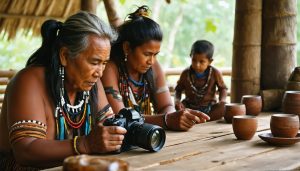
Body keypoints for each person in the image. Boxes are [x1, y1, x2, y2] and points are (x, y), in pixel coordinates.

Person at [0, 11, 127, 170]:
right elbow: (25, 150)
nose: (100, 72)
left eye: (104, 63)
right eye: (94, 62)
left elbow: (107, 127)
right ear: (65, 55)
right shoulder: (29, 81)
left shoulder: (91, 83)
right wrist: (85, 144)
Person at [101, 5, 210, 131]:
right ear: (127, 48)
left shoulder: (153, 66)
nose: (151, 61)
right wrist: (167, 120)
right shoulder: (110, 68)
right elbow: (121, 117)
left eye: (155, 55)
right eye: (147, 54)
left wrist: (175, 116)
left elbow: (167, 106)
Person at [174, 40, 228, 121]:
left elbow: (223, 89)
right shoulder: (186, 73)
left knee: (224, 107)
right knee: (180, 107)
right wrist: (177, 101)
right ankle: (196, 119)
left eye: (201, 61)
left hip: (209, 108)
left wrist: (222, 100)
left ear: (210, 61)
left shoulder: (215, 73)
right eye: (194, 60)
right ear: (190, 57)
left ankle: (202, 119)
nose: (197, 64)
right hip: (190, 107)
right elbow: (178, 89)